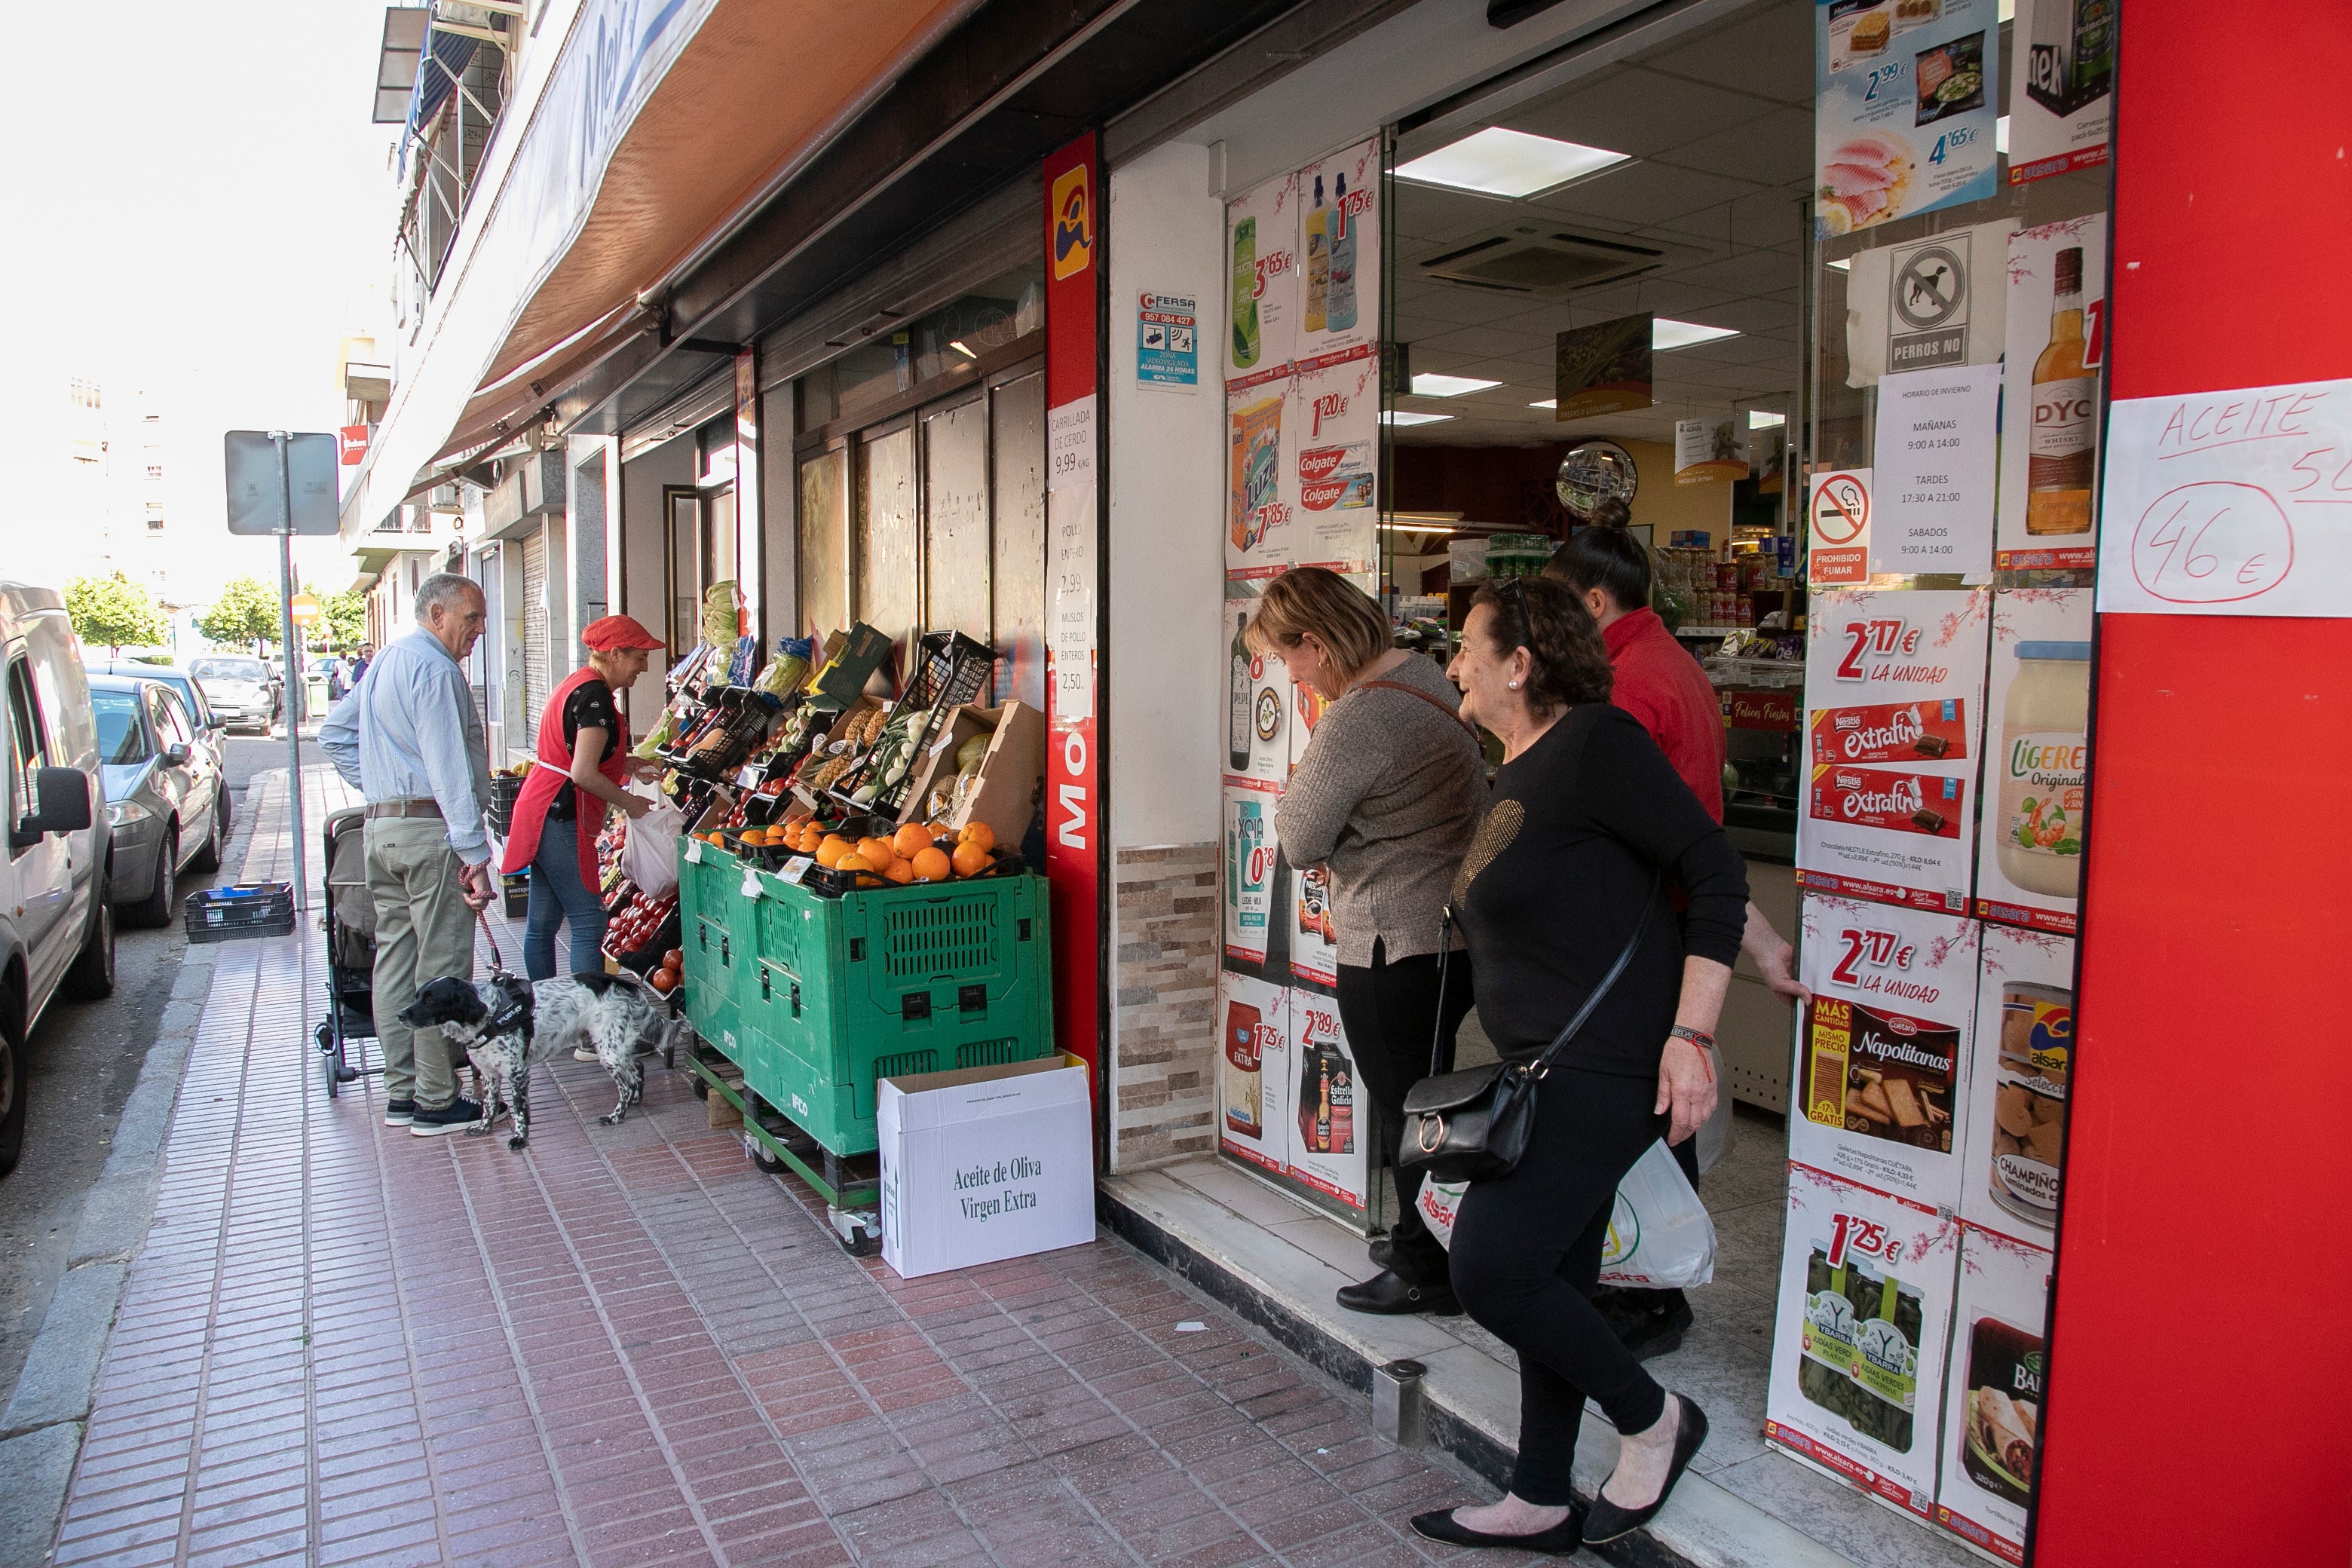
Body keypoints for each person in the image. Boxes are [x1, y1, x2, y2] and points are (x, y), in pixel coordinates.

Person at [1413, 576, 1740, 1554]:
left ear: (1521, 661)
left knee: (1491, 1267)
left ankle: (1653, 1421)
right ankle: (1541, 1492)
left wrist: (1693, 1036)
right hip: (1543, 1070)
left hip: (1602, 1068)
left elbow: (1713, 869)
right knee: (1550, 1272)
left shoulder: (1598, 742)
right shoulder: (1520, 770)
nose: (1456, 662)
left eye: (1469, 644)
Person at [1546, 514, 1809, 1358]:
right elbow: (1702, 837)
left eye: (1553, 611)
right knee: (1656, 1110)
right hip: (1666, 920)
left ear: (1592, 600)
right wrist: (1760, 943)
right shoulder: (1676, 664)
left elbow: (1666, 837)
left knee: (1643, 1116)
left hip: (1639, 928)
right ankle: (1651, 1284)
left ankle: (1651, 1293)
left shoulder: (1624, 684)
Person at [1250, 568, 1486, 1316]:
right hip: (1453, 936)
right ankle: (1442, 1244)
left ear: (1316, 642)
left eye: (1291, 657)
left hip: (1390, 941)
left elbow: (1297, 837)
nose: (1292, 673)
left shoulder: (1358, 718)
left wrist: (1323, 819)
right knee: (1431, 1096)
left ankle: (1425, 1268)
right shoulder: (1425, 676)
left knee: (1405, 1111)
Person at [320, 575, 495, 1137]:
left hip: (381, 829)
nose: (480, 629)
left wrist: (380, 791)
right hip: (427, 831)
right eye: (471, 617)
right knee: (440, 964)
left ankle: (402, 1093)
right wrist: (473, 850)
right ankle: (437, 1100)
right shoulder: (435, 669)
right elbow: (447, 766)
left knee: (394, 958)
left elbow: (334, 734)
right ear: (437, 613)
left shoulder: (388, 661)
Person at [501, 615, 666, 988]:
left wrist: (630, 763)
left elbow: (572, 753)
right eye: (639, 657)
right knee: (589, 919)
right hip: (560, 814)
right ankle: (590, 1027)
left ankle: (542, 1012)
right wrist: (629, 803)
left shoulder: (579, 684)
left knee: (542, 923)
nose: (644, 666)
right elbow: (583, 773)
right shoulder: (595, 699)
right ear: (615, 653)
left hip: (541, 808)